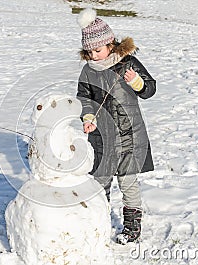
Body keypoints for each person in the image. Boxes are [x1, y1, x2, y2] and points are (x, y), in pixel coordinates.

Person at [76, 8, 156, 245]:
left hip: (130, 135)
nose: (93, 55)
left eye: (97, 50)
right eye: (89, 52)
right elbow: (84, 97)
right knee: (100, 181)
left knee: (128, 181)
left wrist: (137, 83)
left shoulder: (128, 63)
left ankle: (132, 228)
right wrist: (88, 117)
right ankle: (99, 224)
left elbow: (150, 89)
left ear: (110, 43)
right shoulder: (88, 70)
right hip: (102, 137)